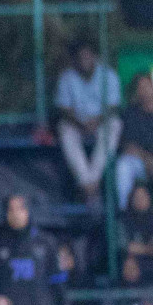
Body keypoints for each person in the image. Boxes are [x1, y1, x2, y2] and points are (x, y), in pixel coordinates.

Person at [55, 40, 122, 202]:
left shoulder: (108, 75)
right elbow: (63, 109)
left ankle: (90, 182)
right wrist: (80, 123)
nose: (84, 60)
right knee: (63, 128)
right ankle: (88, 183)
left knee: (115, 124)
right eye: (80, 57)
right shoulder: (67, 77)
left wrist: (96, 121)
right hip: (76, 124)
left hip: (101, 122)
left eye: (88, 56)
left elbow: (113, 107)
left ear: (95, 57)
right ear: (75, 60)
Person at [113, 72, 153, 208]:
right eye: (140, 88)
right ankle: (123, 212)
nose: (144, 90)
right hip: (141, 162)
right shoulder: (130, 113)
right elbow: (128, 146)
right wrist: (147, 159)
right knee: (123, 166)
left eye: (146, 86)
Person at [117, 183, 153, 281]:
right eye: (137, 197)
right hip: (135, 268)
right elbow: (124, 245)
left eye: (144, 196)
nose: (141, 200)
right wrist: (149, 249)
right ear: (131, 199)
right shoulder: (124, 221)